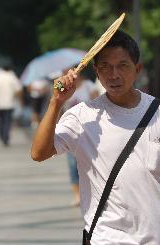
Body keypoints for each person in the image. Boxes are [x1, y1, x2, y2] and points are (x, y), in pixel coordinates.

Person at [31, 30, 160, 244]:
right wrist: (56, 103)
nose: (114, 75)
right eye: (105, 67)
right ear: (96, 72)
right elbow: (39, 153)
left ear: (137, 69)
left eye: (122, 65)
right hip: (107, 237)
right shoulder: (82, 115)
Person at [61, 66, 99, 206]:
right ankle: (77, 195)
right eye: (64, 73)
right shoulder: (64, 88)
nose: (67, 75)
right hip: (70, 130)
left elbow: (98, 103)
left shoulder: (89, 85)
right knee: (72, 164)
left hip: (90, 129)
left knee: (91, 162)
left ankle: (93, 193)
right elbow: (58, 107)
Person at [0, 66, 22, 146]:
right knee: (7, 121)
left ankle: (1, 135)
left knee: (0, 121)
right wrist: (15, 96)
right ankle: (5, 137)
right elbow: (18, 90)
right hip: (9, 103)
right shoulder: (12, 77)